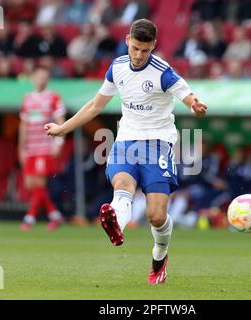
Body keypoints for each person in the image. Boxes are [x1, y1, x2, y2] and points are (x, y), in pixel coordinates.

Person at [44, 19, 207, 284]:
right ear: (128, 40)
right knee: (122, 184)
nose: (139, 55)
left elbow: (186, 95)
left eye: (145, 50)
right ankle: (116, 224)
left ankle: (160, 256)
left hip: (158, 142)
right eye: (136, 48)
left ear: (153, 45)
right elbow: (96, 105)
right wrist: (63, 128)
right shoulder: (117, 67)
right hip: (127, 140)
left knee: (156, 216)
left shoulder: (163, 72)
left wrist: (194, 105)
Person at [19, 67, 66, 232]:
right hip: (31, 147)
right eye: (39, 77)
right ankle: (55, 215)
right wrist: (21, 148)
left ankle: (29, 218)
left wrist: (58, 142)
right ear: (33, 78)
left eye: (45, 77)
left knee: (39, 182)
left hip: (44, 147)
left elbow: (61, 120)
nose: (42, 80)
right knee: (31, 184)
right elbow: (24, 125)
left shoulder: (53, 97)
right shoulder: (27, 99)